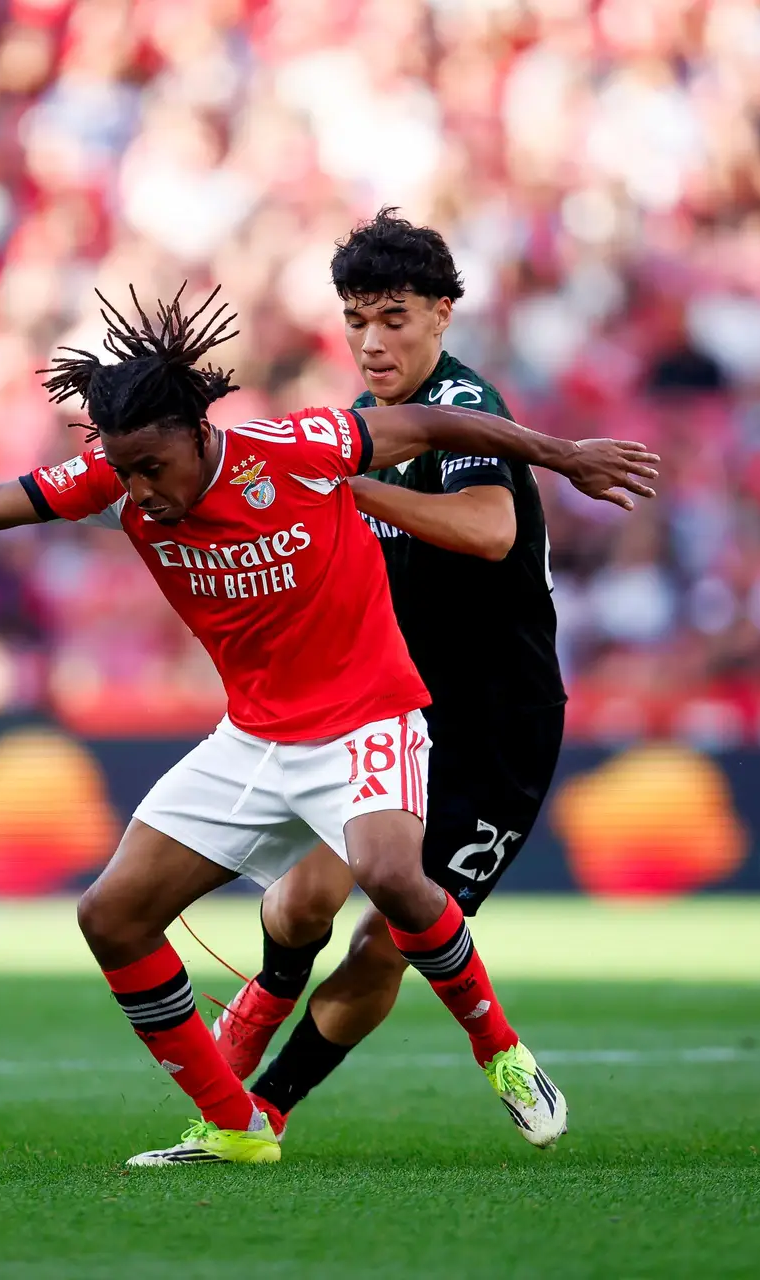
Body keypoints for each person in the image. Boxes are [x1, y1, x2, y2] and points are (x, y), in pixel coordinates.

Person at [0, 285, 656, 1165]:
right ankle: (235, 1125)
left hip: (369, 714)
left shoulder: (302, 446)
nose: (137, 492)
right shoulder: (117, 476)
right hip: (254, 739)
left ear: (201, 433)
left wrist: (563, 456)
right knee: (112, 915)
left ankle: (501, 1051)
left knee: (390, 876)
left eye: (151, 469)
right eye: (124, 472)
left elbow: (439, 427)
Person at [209, 209, 573, 1143]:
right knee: (296, 901)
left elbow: (491, 530)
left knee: (385, 940)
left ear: (444, 316)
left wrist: (346, 489)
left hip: (496, 731)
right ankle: (264, 996)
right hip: (391, 716)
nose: (372, 341)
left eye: (395, 318)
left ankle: (263, 1111)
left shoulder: (464, 405)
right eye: (356, 318)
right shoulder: (364, 425)